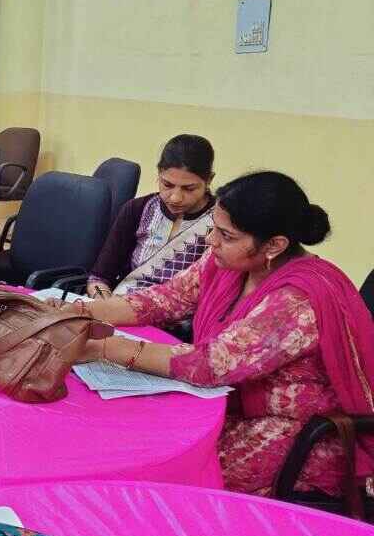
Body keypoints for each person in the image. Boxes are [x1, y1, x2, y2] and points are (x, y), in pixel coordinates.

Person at [61, 171, 374, 498]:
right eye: (214, 228)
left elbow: (212, 365)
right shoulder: (228, 262)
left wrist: (103, 348)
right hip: (229, 400)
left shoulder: (296, 302)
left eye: (226, 235)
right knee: (129, 430)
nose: (211, 241)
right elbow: (167, 298)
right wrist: (75, 311)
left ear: (274, 245)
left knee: (169, 470)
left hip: (291, 428)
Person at [88, 135, 217, 299]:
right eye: (167, 185)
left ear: (209, 180)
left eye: (189, 189)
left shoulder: (220, 223)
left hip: (180, 312)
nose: (175, 198)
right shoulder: (138, 209)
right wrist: (103, 302)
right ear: (159, 173)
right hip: (122, 304)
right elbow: (98, 278)